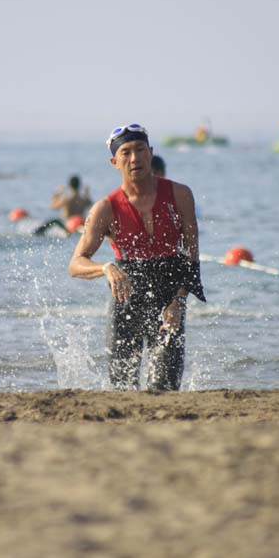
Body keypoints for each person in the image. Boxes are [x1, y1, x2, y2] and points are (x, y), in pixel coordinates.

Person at [69, 123, 206, 391]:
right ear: (114, 162)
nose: (135, 158)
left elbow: (192, 258)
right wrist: (105, 268)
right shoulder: (105, 208)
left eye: (140, 150)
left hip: (170, 299)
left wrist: (179, 301)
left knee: (165, 388)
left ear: (150, 153)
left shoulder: (180, 195)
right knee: (122, 389)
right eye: (126, 152)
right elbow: (76, 264)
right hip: (126, 303)